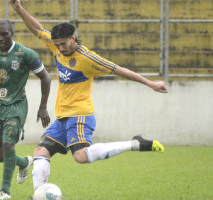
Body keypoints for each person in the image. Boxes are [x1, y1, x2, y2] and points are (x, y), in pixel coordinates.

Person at [10, 0, 168, 195]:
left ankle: (136, 143)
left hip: (80, 114)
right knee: (40, 152)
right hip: (63, 116)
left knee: (81, 156)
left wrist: (151, 84)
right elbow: (38, 28)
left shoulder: (88, 59)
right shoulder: (56, 46)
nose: (60, 48)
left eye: (64, 44)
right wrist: (18, 8)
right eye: (57, 44)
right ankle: (39, 195)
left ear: (73, 38)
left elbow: (120, 70)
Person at [0, 18, 51, 199]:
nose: (0, 38)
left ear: (12, 34)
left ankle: (4, 192)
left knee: (7, 145)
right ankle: (24, 163)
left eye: (5, 34)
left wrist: (43, 107)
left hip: (17, 105)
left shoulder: (25, 53)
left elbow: (45, 77)